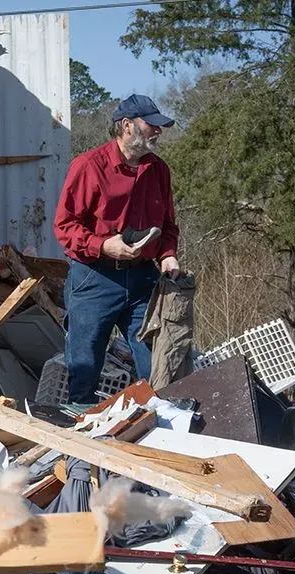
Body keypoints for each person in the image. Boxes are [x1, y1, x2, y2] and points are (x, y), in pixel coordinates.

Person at [54, 93, 181, 409]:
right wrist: (102, 245)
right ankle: (79, 443)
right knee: (84, 367)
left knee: (158, 362)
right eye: (151, 125)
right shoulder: (88, 166)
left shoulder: (158, 170)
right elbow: (64, 226)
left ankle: (156, 428)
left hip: (142, 281)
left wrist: (167, 255)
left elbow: (168, 225)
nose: (158, 131)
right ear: (127, 125)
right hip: (94, 279)